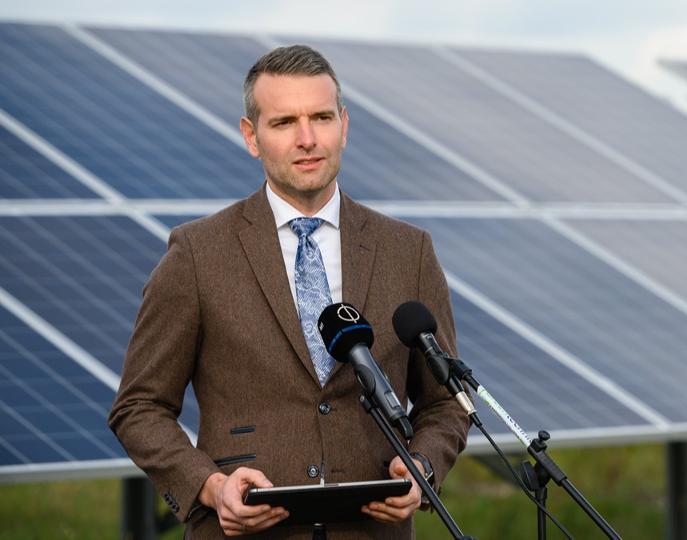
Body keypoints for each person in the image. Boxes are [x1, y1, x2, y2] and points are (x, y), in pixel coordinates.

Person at [109, 45, 469, 539]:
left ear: (344, 124)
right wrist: (211, 487)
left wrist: (423, 465)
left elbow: (446, 403)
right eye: (283, 123)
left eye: (321, 117)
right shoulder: (196, 253)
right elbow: (138, 407)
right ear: (251, 136)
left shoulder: (409, 251)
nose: (307, 139)